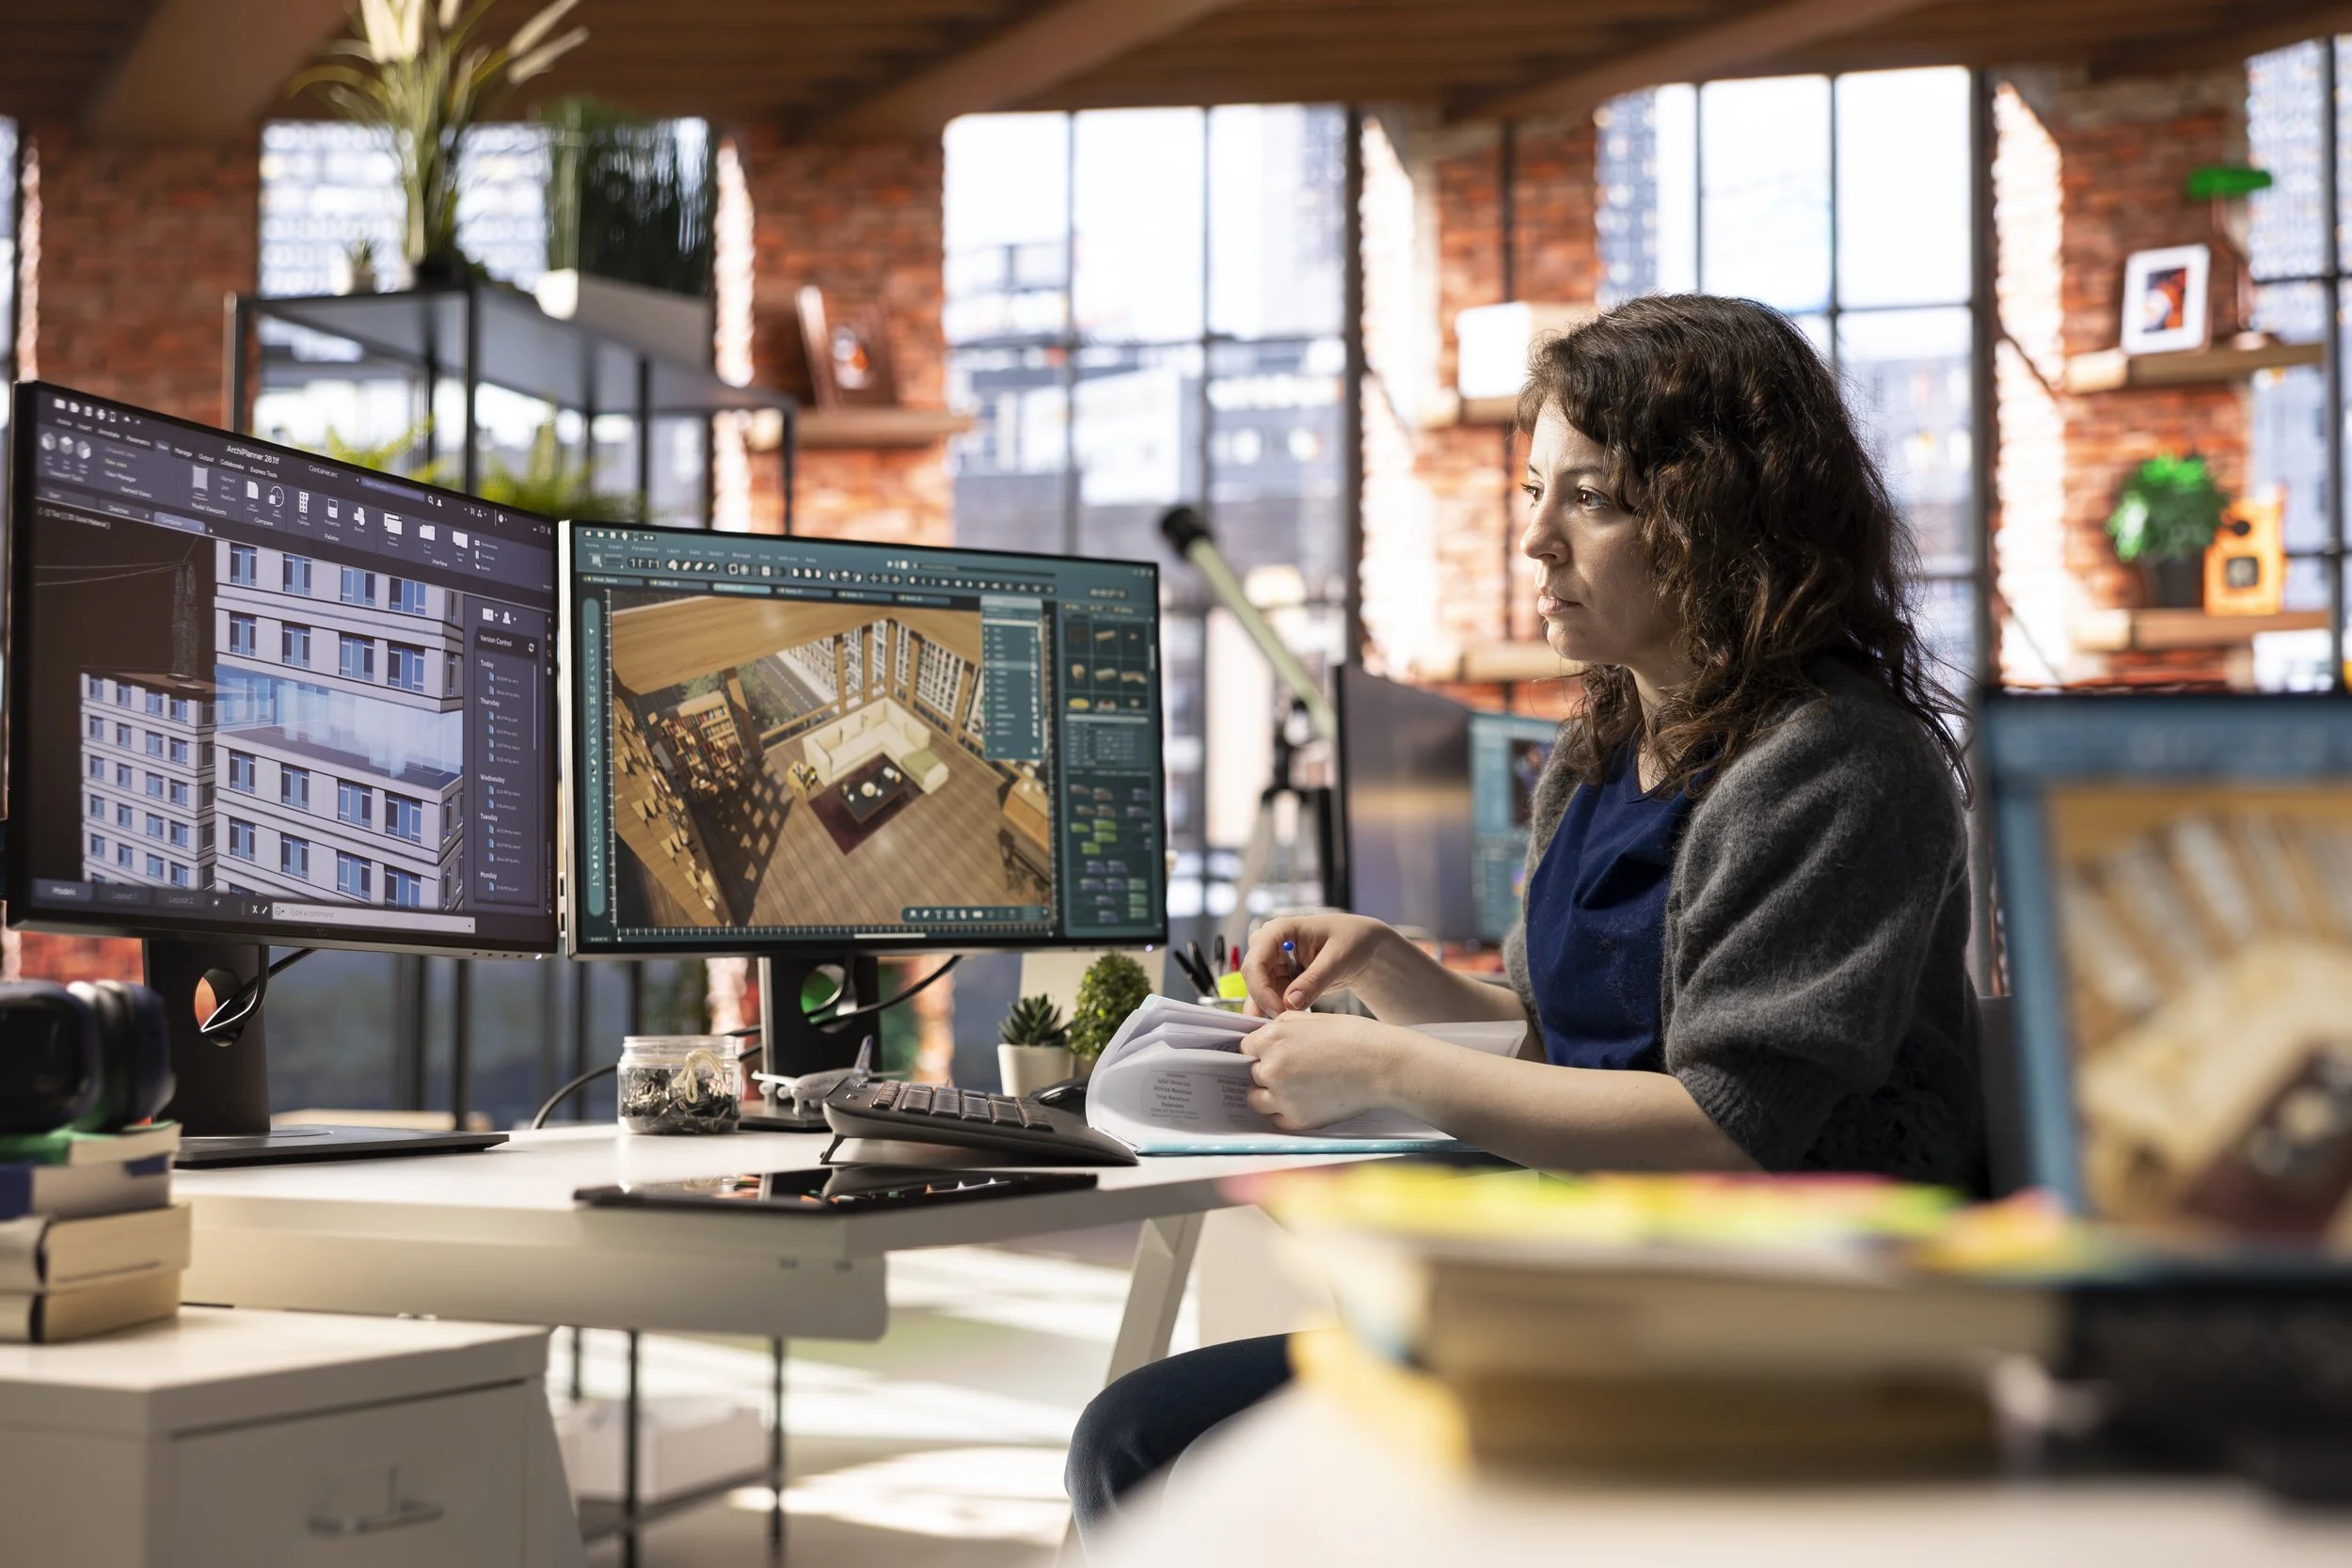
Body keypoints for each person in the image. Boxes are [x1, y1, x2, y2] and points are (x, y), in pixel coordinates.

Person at [1064, 293, 1984, 1550]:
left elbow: (1728, 1120)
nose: (1535, 541)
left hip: (1792, 1329)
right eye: (1534, 489)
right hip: (1612, 1292)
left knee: (1164, 1451)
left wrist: (1389, 1064)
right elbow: (1574, 1040)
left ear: (1719, 514)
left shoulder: (1840, 767)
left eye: (1590, 498)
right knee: (1132, 1437)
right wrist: (1388, 970)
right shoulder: (1602, 752)